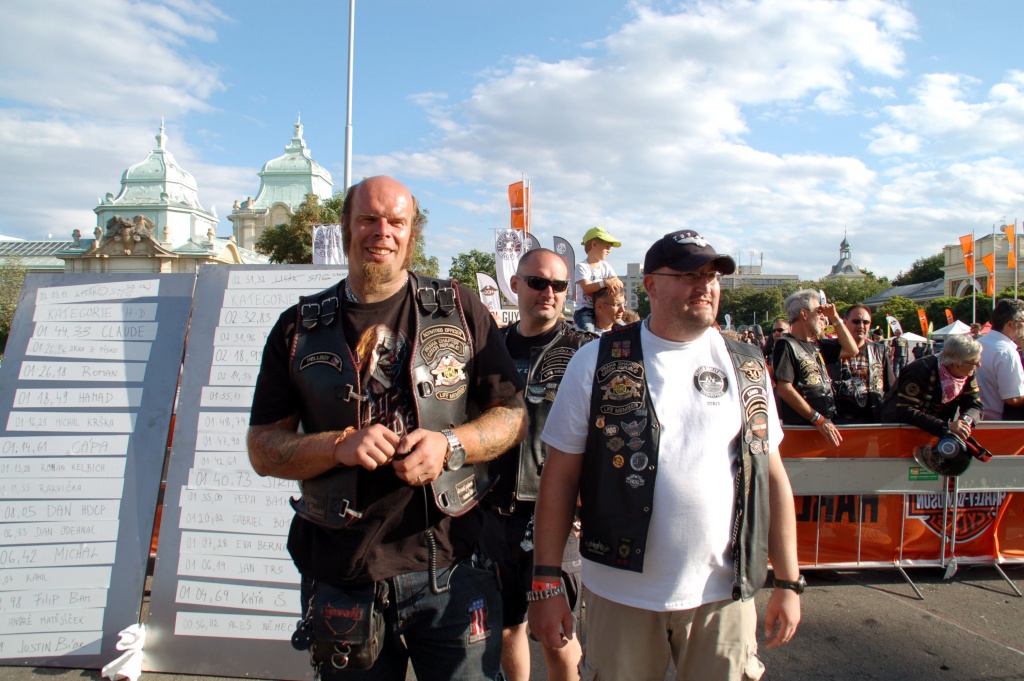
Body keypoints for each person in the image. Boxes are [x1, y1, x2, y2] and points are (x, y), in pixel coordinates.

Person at [246, 176, 528, 681]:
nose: (383, 232)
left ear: (412, 233)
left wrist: (451, 443)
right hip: (342, 567)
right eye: (368, 219)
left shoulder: (460, 308)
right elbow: (263, 449)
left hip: (453, 561)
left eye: (397, 221)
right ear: (346, 226)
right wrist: (338, 446)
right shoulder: (298, 328)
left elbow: (512, 414)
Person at [528, 229, 802, 680]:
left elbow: (771, 476)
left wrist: (789, 581)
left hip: (723, 593)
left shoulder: (748, 364)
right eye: (690, 275)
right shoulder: (596, 361)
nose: (706, 285)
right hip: (620, 593)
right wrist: (545, 581)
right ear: (651, 285)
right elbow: (559, 477)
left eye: (712, 275)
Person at [483, 248, 592, 681]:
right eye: (537, 282)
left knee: (557, 635)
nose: (549, 292)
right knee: (506, 627)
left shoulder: (587, 352)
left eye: (559, 285)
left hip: (556, 515)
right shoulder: (490, 348)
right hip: (493, 512)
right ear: (515, 284)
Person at [772, 289, 858, 445]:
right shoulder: (786, 345)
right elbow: (784, 389)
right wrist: (817, 419)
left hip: (825, 427)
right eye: (819, 312)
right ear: (804, 314)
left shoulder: (818, 345)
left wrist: (835, 317)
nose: (823, 316)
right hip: (803, 430)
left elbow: (852, 350)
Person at [880, 333, 983, 438]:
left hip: (935, 432)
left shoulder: (967, 372)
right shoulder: (919, 370)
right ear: (957, 365)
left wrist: (966, 421)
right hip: (898, 431)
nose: (979, 365)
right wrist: (944, 426)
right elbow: (905, 410)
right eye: (975, 363)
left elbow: (974, 404)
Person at [827, 304, 887, 424]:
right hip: (836, 420)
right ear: (844, 322)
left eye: (866, 322)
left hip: (870, 419)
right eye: (856, 321)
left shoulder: (879, 351)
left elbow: (890, 388)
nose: (861, 326)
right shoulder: (829, 348)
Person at [975, 299, 1024, 420]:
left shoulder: (976, 344)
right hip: (998, 424)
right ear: (1011, 324)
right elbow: (1013, 398)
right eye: (1023, 320)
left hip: (974, 420)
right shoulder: (1006, 352)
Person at [573, 226, 623, 332]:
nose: (609, 251)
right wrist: (604, 283)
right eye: (607, 247)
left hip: (603, 308)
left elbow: (617, 282)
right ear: (594, 244)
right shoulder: (582, 266)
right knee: (588, 331)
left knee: (623, 327)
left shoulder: (606, 266)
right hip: (585, 309)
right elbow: (586, 288)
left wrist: (614, 284)